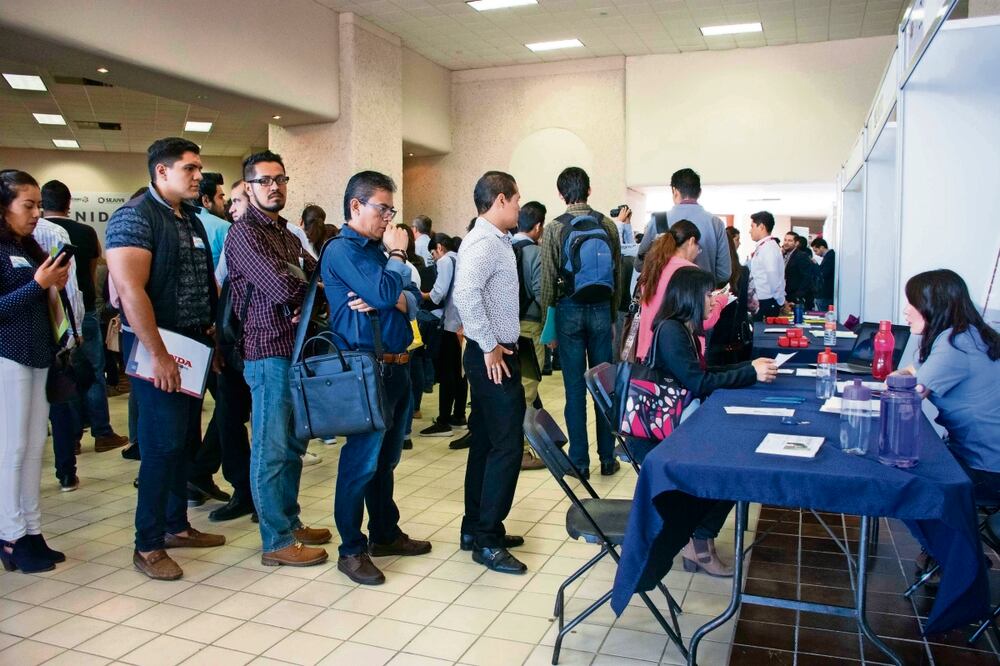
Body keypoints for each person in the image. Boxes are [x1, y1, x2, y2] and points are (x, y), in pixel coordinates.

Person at [105, 138, 226, 581]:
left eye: (199, 168)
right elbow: (130, 290)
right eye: (190, 168)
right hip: (158, 350)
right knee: (159, 447)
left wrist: (211, 337)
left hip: (194, 347)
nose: (199, 176)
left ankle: (176, 525)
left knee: (182, 441)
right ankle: (148, 544)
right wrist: (157, 354)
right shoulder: (134, 218)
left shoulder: (190, 217)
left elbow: (203, 282)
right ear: (161, 171)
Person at [322, 170, 431, 585]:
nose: (389, 218)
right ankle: (351, 549)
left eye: (391, 209)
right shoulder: (343, 251)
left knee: (386, 462)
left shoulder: (372, 252)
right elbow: (388, 295)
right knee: (360, 463)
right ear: (355, 206)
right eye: (381, 208)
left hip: (398, 363)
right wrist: (399, 260)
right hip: (366, 369)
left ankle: (385, 533)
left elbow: (410, 303)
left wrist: (396, 296)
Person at [225, 150, 329, 566]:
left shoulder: (285, 233)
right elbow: (283, 286)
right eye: (265, 180)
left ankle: (290, 520)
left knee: (292, 445)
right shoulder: (245, 234)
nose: (274, 187)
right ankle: (276, 540)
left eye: (280, 179)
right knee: (270, 448)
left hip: (295, 349)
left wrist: (306, 285)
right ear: (248, 188)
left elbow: (317, 277)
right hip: (267, 352)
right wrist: (305, 284)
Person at [646, 266, 777, 575]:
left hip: (681, 420)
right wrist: (749, 372)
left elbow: (702, 374)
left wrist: (749, 366)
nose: (713, 301)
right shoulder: (671, 330)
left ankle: (699, 540)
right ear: (691, 296)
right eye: (709, 295)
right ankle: (699, 542)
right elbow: (697, 382)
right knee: (733, 467)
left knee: (736, 460)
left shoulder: (683, 329)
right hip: (664, 430)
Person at [454, 171, 528, 575]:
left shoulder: (493, 240)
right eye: (516, 200)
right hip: (493, 358)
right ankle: (487, 538)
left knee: (485, 443)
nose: (519, 206)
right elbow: (465, 293)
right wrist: (487, 345)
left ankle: (475, 528)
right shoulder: (484, 241)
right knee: (506, 446)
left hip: (491, 355)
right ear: (500, 200)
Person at [0, 170, 72, 573]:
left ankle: (31, 529)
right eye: (27, 205)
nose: (35, 213)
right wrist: (36, 284)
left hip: (39, 355)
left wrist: (51, 283)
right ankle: (10, 536)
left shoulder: (26, 246)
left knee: (32, 449)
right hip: (7, 356)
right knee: (11, 450)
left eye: (37, 205)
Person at [539, 166, 622, 479]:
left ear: (561, 194)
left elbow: (547, 281)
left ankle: (580, 463)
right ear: (589, 190)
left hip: (569, 311)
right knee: (604, 387)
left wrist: (551, 323)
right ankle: (608, 458)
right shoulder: (607, 225)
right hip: (602, 310)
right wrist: (612, 316)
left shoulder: (554, 228)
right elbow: (617, 274)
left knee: (575, 390)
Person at [41, 180, 129, 454]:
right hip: (84, 309)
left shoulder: (32, 233)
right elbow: (91, 273)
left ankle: (72, 439)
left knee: (65, 376)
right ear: (69, 203)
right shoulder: (85, 232)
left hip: (47, 313)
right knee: (92, 372)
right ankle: (102, 432)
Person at [900, 269, 1000, 500]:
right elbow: (912, 371)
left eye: (913, 303)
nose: (906, 310)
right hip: (981, 457)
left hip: (986, 469)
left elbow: (906, 397)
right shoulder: (967, 334)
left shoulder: (953, 343)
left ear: (934, 305)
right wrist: (903, 375)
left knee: (906, 480)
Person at [32, 216, 84, 491]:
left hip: (49, 336)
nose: (33, 213)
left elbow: (67, 287)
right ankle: (65, 471)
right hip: (34, 339)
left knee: (59, 404)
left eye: (37, 205)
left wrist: (71, 332)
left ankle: (66, 470)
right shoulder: (51, 233)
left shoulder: (50, 233)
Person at [635, 219, 726, 362]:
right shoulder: (689, 273)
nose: (697, 252)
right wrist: (720, 301)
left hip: (648, 350)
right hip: (677, 351)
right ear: (691, 241)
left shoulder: (653, 268)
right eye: (698, 248)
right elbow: (701, 321)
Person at [635, 168, 732, 288]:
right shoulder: (716, 223)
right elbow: (724, 273)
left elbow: (639, 265)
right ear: (699, 192)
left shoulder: (658, 221)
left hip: (666, 298)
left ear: (675, 191)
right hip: (702, 299)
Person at [420, 233, 467, 439]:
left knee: (448, 373)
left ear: (439, 247)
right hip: (463, 324)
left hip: (451, 324)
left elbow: (438, 293)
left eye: (433, 254)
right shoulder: (460, 257)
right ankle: (458, 416)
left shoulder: (446, 260)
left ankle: (443, 421)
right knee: (460, 372)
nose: (434, 258)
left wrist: (418, 294)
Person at [512, 201, 546, 471]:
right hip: (529, 326)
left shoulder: (503, 247)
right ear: (537, 227)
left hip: (504, 330)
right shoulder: (536, 253)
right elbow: (540, 293)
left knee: (511, 390)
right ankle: (521, 452)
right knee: (527, 389)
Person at [706, 227, 752, 365]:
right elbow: (745, 305)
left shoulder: (708, 273)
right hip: (734, 338)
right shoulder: (742, 271)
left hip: (713, 335)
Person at [746, 211, 785, 320]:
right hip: (761, 301)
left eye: (752, 226)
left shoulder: (769, 248)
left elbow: (773, 278)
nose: (750, 231)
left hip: (767, 302)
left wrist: (779, 301)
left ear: (761, 227)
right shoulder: (764, 246)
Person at [195, 172, 230, 270]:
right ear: (206, 200)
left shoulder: (182, 222)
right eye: (220, 197)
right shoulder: (224, 227)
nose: (225, 201)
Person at [784, 233, 816, 309]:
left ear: (796, 243)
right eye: (785, 240)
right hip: (790, 295)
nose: (786, 242)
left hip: (798, 298)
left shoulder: (801, 255)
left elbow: (807, 277)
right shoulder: (788, 255)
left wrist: (798, 296)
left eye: (790, 240)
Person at [811, 237, 835, 310]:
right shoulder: (828, 256)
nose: (816, 254)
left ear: (821, 247)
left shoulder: (830, 256)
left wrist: (815, 265)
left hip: (825, 293)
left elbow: (823, 273)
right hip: (824, 293)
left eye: (816, 251)